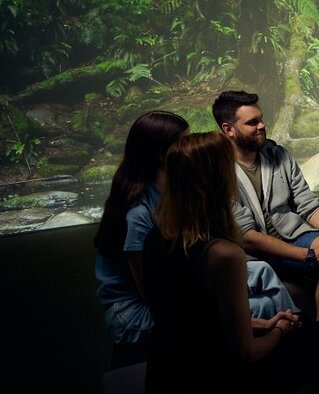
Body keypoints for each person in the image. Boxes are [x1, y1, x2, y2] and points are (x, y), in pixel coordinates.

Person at [141, 131, 319, 394]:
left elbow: (191, 320)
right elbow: (246, 354)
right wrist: (280, 331)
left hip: (163, 384)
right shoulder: (222, 255)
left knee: (297, 329)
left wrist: (262, 324)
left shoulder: (155, 238)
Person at [94, 111, 298, 369]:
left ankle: (294, 339)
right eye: (183, 141)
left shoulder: (171, 194)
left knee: (262, 271)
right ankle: (286, 353)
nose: (189, 147)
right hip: (137, 312)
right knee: (261, 306)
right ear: (161, 152)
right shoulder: (139, 215)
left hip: (174, 289)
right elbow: (153, 294)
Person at [212, 90, 319, 382]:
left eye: (262, 119)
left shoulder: (278, 154)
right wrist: (310, 255)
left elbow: (307, 203)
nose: (261, 126)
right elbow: (246, 236)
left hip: (292, 234)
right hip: (252, 253)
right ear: (228, 130)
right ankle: (318, 348)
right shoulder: (217, 170)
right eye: (252, 122)